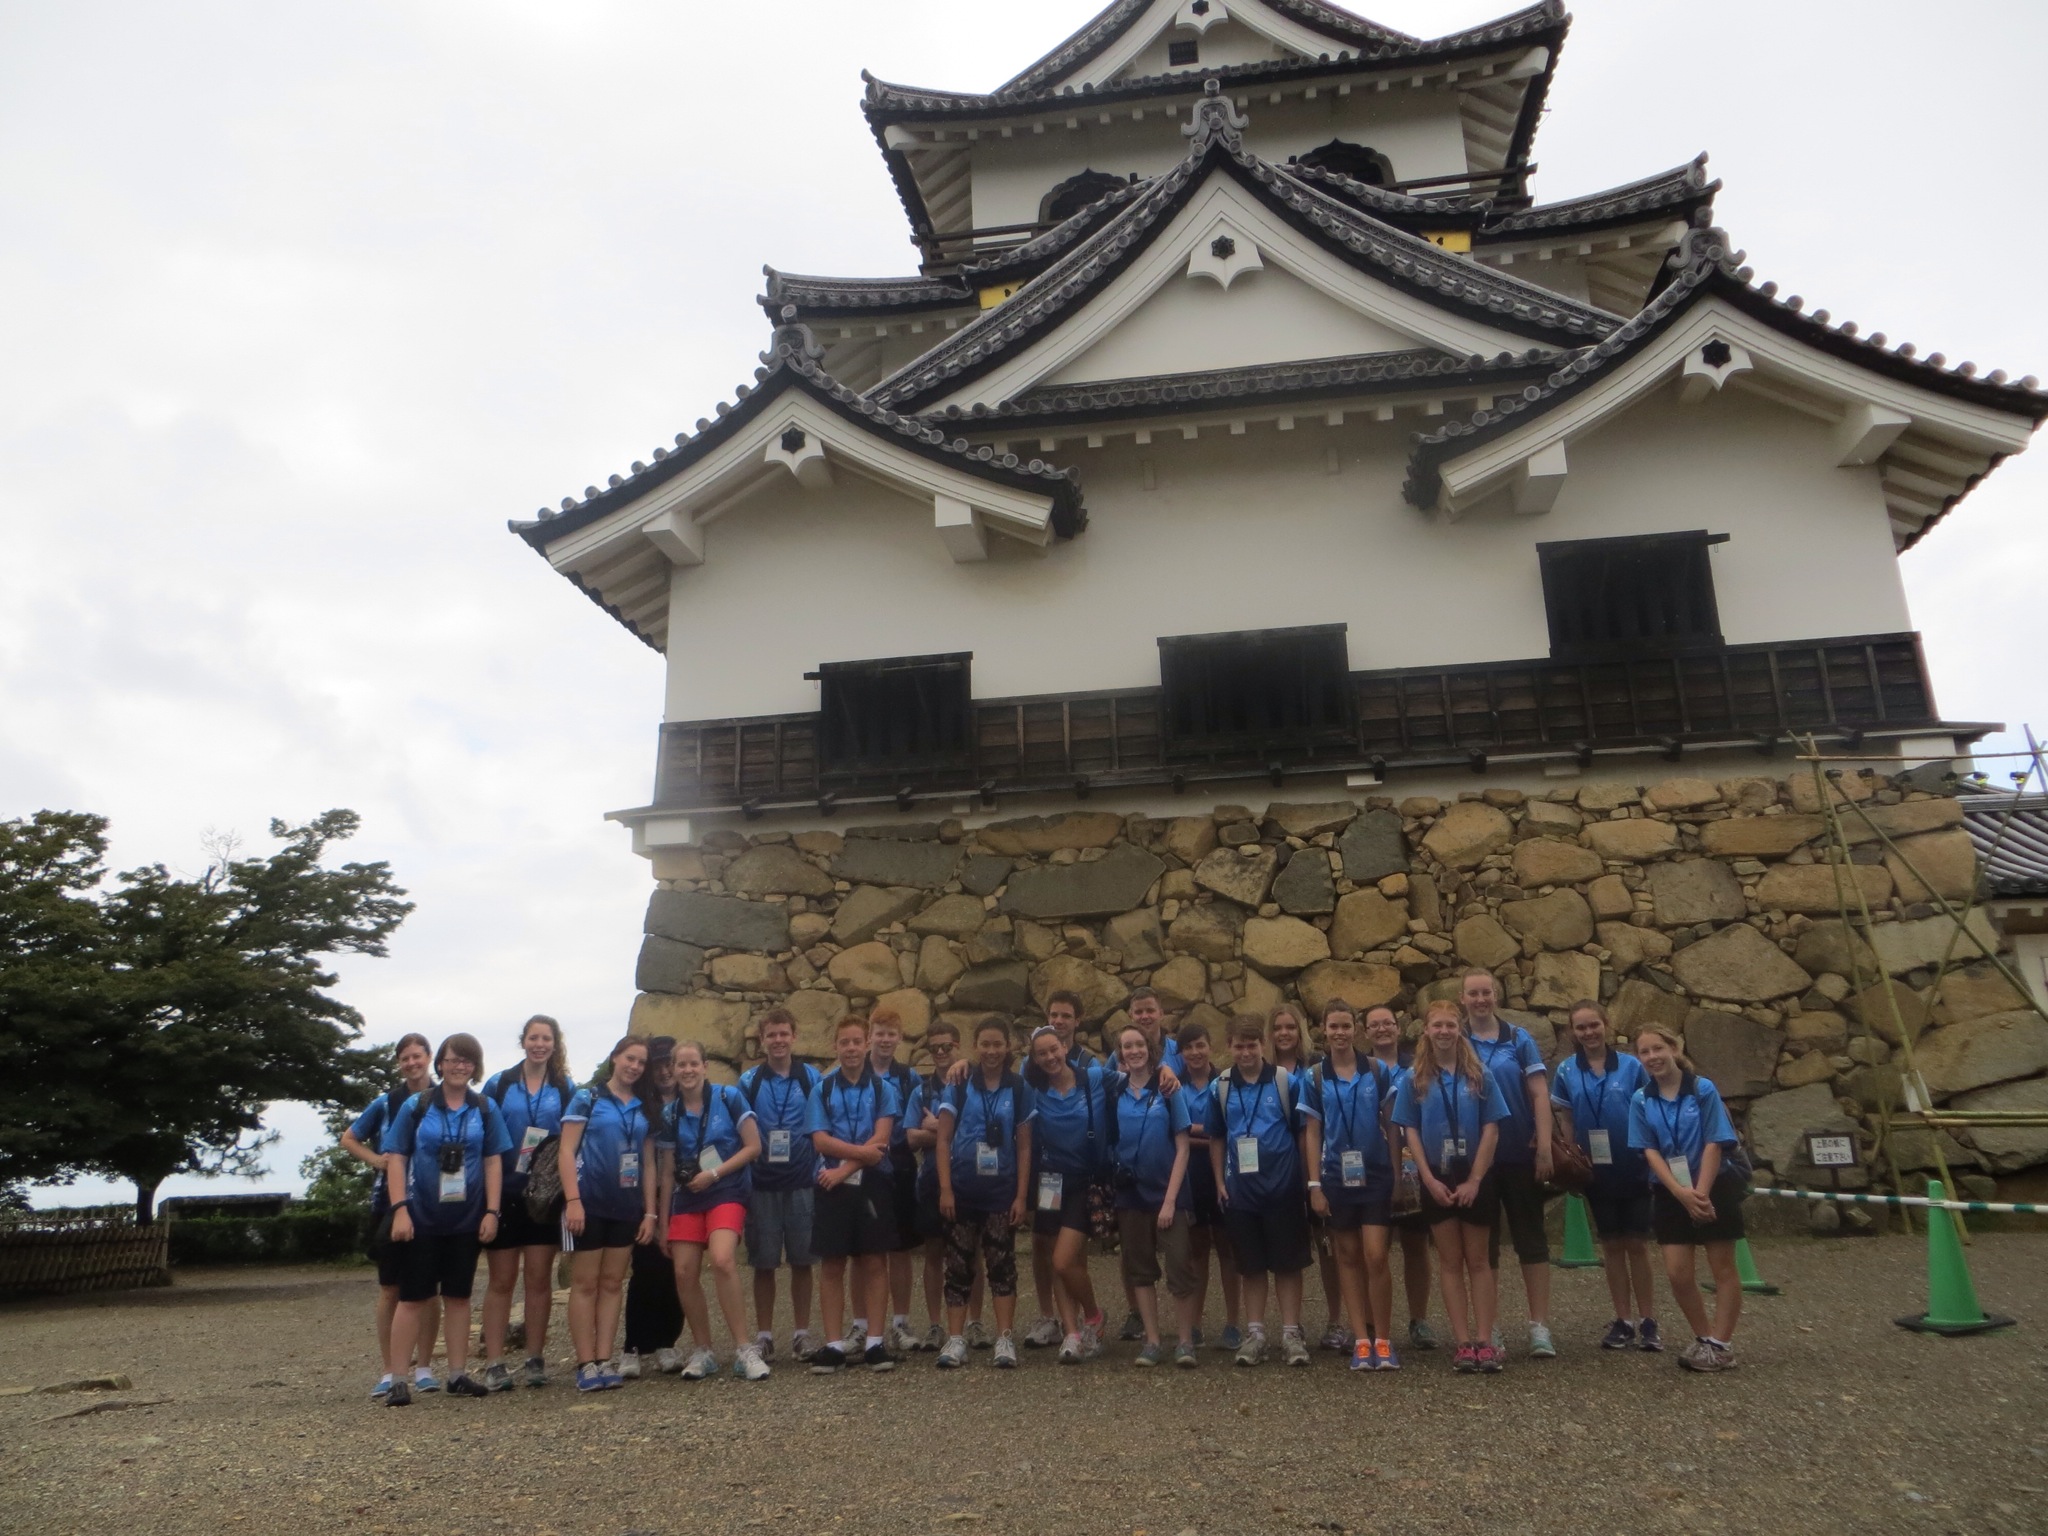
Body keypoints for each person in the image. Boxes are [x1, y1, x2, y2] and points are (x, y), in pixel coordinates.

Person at [379, 1033, 512, 1405]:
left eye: (466, 1061)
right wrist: (399, 1210)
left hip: (466, 1219)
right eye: (452, 1060)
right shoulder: (418, 1106)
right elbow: (396, 1157)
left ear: (475, 1066)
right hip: (421, 1216)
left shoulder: (484, 1107)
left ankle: (457, 1374)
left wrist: (492, 1212)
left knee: (458, 1296)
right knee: (412, 1297)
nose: (459, 1067)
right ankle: (399, 1380)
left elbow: (493, 1161)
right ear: (440, 1063)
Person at [1393, 1000, 1510, 1374]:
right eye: (1437, 1025)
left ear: (1460, 1030)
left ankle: (1485, 1340)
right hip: (1436, 1177)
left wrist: (1476, 1179)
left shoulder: (1479, 1074)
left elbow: (1492, 1127)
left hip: (1475, 1174)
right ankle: (1462, 1342)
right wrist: (1427, 1179)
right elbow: (1409, 1129)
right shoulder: (1414, 1078)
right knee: (1449, 1261)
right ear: (1426, 1030)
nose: (1443, 1031)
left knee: (1479, 1261)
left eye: (1450, 1025)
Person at [1629, 1025, 1748, 1372]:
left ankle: (1721, 1344)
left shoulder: (1702, 1089)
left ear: (1674, 1049)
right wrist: (1679, 1193)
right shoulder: (1641, 1099)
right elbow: (1648, 1149)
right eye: (1645, 1052)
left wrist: (1701, 1193)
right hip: (1671, 1192)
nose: (1653, 1057)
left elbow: (1715, 1141)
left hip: (1713, 1185)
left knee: (1722, 1266)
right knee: (1677, 1273)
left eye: (1658, 1048)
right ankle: (1704, 1337)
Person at [1550, 1000, 1660, 1352]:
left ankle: (1648, 1321)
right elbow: (1566, 1116)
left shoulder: (1632, 1067)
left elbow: (1650, 1109)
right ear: (1572, 1032)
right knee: (1611, 1245)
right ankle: (1623, 1320)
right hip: (1596, 1171)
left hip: (1635, 1164)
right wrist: (1571, 1156)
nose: (1588, 1032)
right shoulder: (1567, 1070)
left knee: (1637, 1244)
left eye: (1593, 1024)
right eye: (1581, 1027)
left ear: (1606, 1024)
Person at [1461, 967, 1558, 1359]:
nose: (1480, 999)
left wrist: (1545, 1146)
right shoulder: (1455, 1039)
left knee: (1530, 1239)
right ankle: (1491, 1326)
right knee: (1484, 1250)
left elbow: (1539, 1093)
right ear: (1463, 999)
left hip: (1518, 1152)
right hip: (1475, 1161)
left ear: (1496, 996)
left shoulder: (1519, 1039)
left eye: (1486, 992)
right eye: (1473, 993)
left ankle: (1539, 1326)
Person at [658, 1040, 769, 1381]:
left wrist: (715, 1174)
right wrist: (663, 1221)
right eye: (681, 1064)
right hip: (688, 1197)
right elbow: (667, 1170)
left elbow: (753, 1146)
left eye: (694, 1063)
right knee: (683, 1272)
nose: (688, 1070)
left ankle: (744, 1348)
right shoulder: (670, 1114)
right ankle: (703, 1349)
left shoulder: (728, 1097)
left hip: (726, 1190)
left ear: (705, 1066)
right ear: (674, 1070)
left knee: (722, 1260)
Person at [1301, 1000, 1403, 1370]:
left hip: (1375, 1174)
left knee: (1376, 1255)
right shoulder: (1314, 1077)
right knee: (1346, 1256)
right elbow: (1312, 1132)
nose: (1340, 1033)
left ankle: (1383, 1339)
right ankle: (1361, 1340)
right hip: (1335, 1177)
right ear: (1323, 1030)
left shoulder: (1376, 1070)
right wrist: (1314, 1184)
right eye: (1334, 1027)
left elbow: (1392, 1125)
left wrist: (1396, 1175)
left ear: (1356, 1030)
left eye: (1346, 1026)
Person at [1208, 1014, 1312, 1367]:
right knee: (1251, 1267)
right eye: (1239, 1046)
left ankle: (1291, 1334)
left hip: (1283, 1188)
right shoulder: (1221, 1086)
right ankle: (1255, 1334)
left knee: (1288, 1265)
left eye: (1252, 1045)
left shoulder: (1286, 1082)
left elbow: (1302, 1132)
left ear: (1262, 1045)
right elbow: (1216, 1136)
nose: (1246, 1053)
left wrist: (1305, 1180)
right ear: (1229, 1047)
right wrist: (1219, 1182)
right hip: (1241, 1192)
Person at [342, 1033, 441, 1399]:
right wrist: (377, 1161)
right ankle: (389, 1369)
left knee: (429, 1289)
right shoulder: (386, 1103)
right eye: (405, 1058)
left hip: (433, 1202)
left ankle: (425, 1367)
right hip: (388, 1203)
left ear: (429, 1057)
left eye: (417, 1056)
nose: (412, 1063)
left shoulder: (445, 1098)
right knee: (390, 1288)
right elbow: (349, 1137)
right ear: (399, 1063)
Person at [559, 1037, 660, 1392]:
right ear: (615, 1057)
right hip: (588, 1202)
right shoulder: (587, 1098)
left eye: (641, 1062)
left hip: (627, 1206)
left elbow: (649, 1163)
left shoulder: (645, 1106)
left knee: (613, 1283)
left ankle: (604, 1358)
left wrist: (650, 1213)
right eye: (629, 1058)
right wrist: (572, 1200)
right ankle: (585, 1363)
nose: (634, 1067)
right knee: (585, 1283)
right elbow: (566, 1151)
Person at [933, 1018, 1035, 1370]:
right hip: (962, 1191)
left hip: (1001, 1193)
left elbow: (1024, 1146)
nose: (992, 1051)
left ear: (1008, 1047)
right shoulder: (960, 1084)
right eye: (985, 1044)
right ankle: (956, 1338)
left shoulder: (1019, 1088)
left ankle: (1004, 1338)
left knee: (1002, 1265)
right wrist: (945, 1189)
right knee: (958, 1265)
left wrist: (1021, 1196)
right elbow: (943, 1139)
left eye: (998, 1044)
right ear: (975, 1047)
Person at [478, 1015, 573, 1391]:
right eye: (534, 1038)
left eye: (546, 1039)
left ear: (554, 1043)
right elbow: (482, 1136)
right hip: (504, 1191)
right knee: (501, 1280)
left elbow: (572, 1139)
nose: (539, 1045)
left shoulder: (564, 1087)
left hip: (545, 1195)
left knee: (538, 1279)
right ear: (523, 1041)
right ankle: (494, 1362)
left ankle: (535, 1358)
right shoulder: (499, 1084)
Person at [804, 1015, 900, 1374]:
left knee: (874, 1261)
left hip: (868, 1184)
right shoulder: (822, 1089)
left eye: (857, 1041)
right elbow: (820, 1140)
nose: (851, 1048)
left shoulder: (882, 1089)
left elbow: (882, 1140)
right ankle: (833, 1346)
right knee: (832, 1264)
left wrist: (844, 1169)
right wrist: (859, 1157)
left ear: (867, 1044)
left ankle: (874, 1342)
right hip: (832, 1186)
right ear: (835, 1046)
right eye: (844, 1042)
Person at [1107, 1023, 1198, 1367]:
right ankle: (1153, 1340)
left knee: (1179, 1267)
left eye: (1139, 1045)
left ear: (1150, 1048)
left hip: (1168, 1193)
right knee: (1140, 1269)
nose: (1134, 1051)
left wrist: (1170, 1201)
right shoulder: (1113, 1090)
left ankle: (1185, 1341)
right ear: (1119, 1053)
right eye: (1126, 1046)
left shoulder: (1168, 1088)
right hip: (1130, 1194)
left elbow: (1183, 1146)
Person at [1021, 1023, 1109, 1363]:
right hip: (1050, 1182)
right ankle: (1071, 1333)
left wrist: (1165, 1073)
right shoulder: (1033, 1089)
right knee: (1055, 1260)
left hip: (1083, 1182)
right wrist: (960, 1065)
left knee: (1063, 1259)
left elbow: (1137, 1074)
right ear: (1034, 1058)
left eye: (1053, 1049)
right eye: (1041, 1053)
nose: (1049, 1057)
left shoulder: (1094, 1079)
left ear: (1064, 1048)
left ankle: (1094, 1317)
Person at [739, 1007, 823, 1364]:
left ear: (794, 1036)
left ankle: (802, 1334)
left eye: (783, 1033)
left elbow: (823, 1122)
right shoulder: (749, 1082)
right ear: (762, 1040)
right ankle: (765, 1337)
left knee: (803, 1261)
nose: (778, 1040)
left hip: (802, 1181)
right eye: (771, 1034)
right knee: (764, 1264)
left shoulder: (811, 1078)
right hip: (762, 1184)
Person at [1363, 1005, 1439, 1353]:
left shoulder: (1419, 1066)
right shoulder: (1360, 1069)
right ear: (1366, 1032)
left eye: (1388, 1023)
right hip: (1370, 1165)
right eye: (1374, 1025)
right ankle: (1371, 1323)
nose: (1382, 1029)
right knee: (1373, 1249)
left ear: (1398, 1028)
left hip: (1413, 1164)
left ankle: (1418, 1319)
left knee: (1415, 1243)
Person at [1269, 1004, 1344, 1355]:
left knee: (1328, 1247)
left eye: (1290, 1027)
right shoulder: (1263, 1070)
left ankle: (1336, 1320)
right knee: (1286, 1251)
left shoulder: (1316, 1069)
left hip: (1316, 1170)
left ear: (1300, 1031)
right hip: (1278, 1174)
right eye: (1277, 1028)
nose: (1284, 1033)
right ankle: (1292, 1323)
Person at [905, 1022, 985, 1351]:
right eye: (934, 1047)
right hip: (931, 1181)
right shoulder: (921, 1091)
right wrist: (947, 1131)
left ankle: (975, 1322)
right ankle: (936, 1325)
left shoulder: (973, 1084)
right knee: (934, 1252)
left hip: (968, 1177)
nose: (940, 1052)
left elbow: (978, 1130)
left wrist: (936, 1126)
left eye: (946, 1046)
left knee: (972, 1252)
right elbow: (911, 1138)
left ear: (957, 1046)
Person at [1114, 986, 1181, 1341]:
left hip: (1175, 1161)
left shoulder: (1177, 1052)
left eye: (1149, 1010)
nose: (1144, 1016)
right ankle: (1137, 1314)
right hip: (1131, 1178)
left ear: (1161, 1012)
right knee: (1134, 1253)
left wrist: (1167, 1069)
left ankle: (1187, 1329)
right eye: (1137, 1011)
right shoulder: (1117, 1063)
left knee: (1183, 1253)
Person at [1174, 1019, 1241, 1351]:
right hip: (1189, 1177)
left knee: (1228, 1250)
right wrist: (1208, 1134)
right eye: (1188, 1047)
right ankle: (1196, 1323)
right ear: (1181, 1053)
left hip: (1223, 1174)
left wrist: (1193, 1132)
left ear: (1210, 1046)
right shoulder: (1175, 1086)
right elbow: (1175, 1134)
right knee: (1197, 1251)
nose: (1195, 1052)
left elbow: (1227, 1131)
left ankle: (1233, 1323)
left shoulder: (1224, 1084)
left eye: (1200, 1045)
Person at [620, 1037, 685, 1380]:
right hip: (643, 1192)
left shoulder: (692, 1100)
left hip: (683, 1192)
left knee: (675, 1269)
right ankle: (634, 1344)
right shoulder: (641, 1104)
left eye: (669, 1064)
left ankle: (666, 1341)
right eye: (658, 1065)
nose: (664, 1071)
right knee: (645, 1268)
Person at [867, 1007, 924, 1358]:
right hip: (863, 1167)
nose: (885, 1040)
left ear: (900, 1038)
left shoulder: (908, 1077)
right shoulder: (853, 1073)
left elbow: (919, 1120)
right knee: (865, 1250)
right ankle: (862, 1325)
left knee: (901, 1249)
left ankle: (900, 1322)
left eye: (891, 1034)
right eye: (880, 1033)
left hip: (900, 1166)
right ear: (869, 1035)